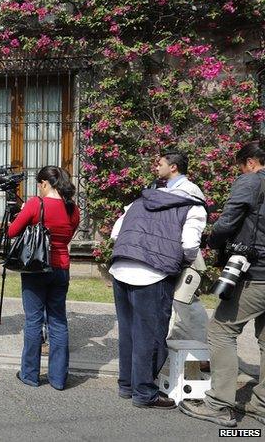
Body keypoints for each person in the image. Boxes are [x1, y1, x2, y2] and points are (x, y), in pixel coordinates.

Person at [181, 141, 265, 426]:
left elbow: (228, 221)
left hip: (255, 273)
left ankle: (218, 404)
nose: (241, 172)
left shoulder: (251, 181)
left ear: (250, 162)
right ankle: (262, 405)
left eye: (241, 167)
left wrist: (213, 241)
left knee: (220, 330)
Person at [110, 166, 206, 409]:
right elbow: (190, 245)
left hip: (121, 267)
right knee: (150, 335)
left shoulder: (137, 202)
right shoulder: (193, 207)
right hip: (154, 273)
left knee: (129, 331)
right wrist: (182, 260)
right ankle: (144, 393)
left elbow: (115, 234)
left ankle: (127, 385)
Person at [7, 166, 81, 390]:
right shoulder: (73, 209)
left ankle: (30, 374)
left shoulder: (35, 204)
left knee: (33, 321)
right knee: (58, 322)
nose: (38, 188)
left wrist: (21, 215)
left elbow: (12, 232)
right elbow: (68, 233)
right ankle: (58, 379)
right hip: (61, 267)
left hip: (37, 268)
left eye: (40, 184)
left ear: (45, 183)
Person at [153, 150, 210, 343]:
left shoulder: (189, 190)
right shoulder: (166, 189)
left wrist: (186, 255)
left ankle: (203, 349)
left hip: (184, 256)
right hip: (168, 255)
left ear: (173, 166)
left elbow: (190, 228)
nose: (157, 167)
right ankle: (177, 351)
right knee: (172, 304)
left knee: (185, 301)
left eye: (160, 164)